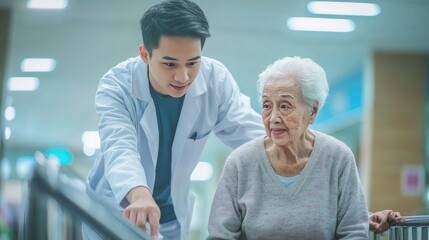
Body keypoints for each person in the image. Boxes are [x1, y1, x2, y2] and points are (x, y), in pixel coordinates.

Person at [84, 0, 264, 239]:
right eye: (169, 64)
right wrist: (139, 196)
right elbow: (120, 147)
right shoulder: (117, 86)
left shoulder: (215, 81)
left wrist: (301, 152)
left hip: (169, 219)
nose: (183, 76)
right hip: (120, 212)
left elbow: (254, 137)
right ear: (145, 54)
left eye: (193, 63)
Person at [207, 56, 370, 239]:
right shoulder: (240, 163)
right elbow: (220, 235)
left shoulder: (338, 158)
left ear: (313, 111)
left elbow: (354, 231)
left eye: (285, 106)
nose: (274, 117)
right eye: (267, 105)